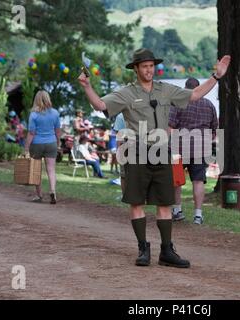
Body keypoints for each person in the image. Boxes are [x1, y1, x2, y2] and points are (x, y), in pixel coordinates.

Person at [78, 48, 230, 268]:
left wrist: (216, 76)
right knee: (137, 202)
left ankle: (167, 251)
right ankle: (143, 248)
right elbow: (101, 106)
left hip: (161, 152)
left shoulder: (166, 90)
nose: (149, 70)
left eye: (151, 66)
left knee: (165, 202)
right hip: (137, 152)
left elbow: (195, 95)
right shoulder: (126, 93)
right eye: (144, 66)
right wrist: (87, 87)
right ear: (136, 69)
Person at [168, 77, 218, 225]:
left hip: (178, 148)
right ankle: (198, 215)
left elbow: (170, 126)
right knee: (198, 181)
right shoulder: (209, 105)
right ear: (199, 87)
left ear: (185, 88)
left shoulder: (178, 102)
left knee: (176, 181)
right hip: (200, 148)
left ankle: (177, 211)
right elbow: (214, 129)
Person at [24, 90, 61, 204]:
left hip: (37, 144)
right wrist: (58, 143)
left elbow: (31, 133)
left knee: (36, 170)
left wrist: (26, 147)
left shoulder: (34, 114)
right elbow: (57, 131)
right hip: (51, 143)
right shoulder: (55, 113)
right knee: (51, 169)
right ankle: (53, 191)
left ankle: (39, 195)